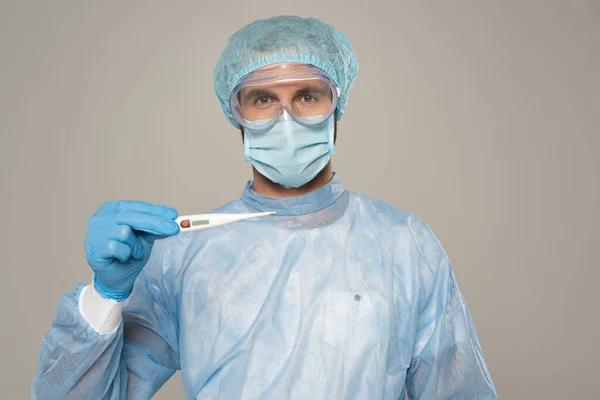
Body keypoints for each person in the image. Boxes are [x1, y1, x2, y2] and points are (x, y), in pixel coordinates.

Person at [31, 16, 498, 399]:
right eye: (262, 99)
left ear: (337, 107)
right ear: (235, 114)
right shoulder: (186, 254)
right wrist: (104, 298)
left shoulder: (404, 246)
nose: (286, 119)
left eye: (307, 97)